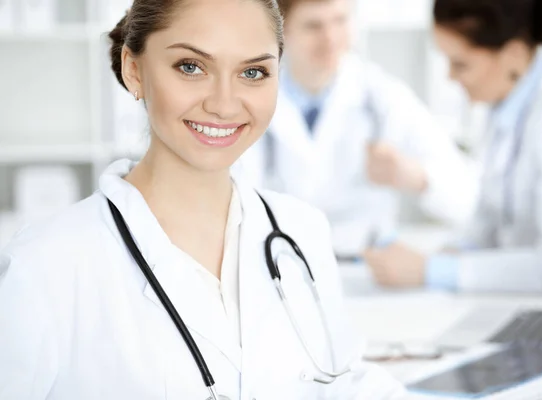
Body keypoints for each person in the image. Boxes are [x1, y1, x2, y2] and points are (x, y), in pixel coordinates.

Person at [0, 0, 406, 398]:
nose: (224, 104)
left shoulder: (302, 230)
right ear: (133, 69)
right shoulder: (45, 264)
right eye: (191, 67)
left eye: (253, 71)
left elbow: (341, 381)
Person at [365, 0, 542, 293]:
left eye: (461, 64)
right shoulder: (505, 106)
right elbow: (489, 221)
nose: (450, 77)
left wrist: (431, 270)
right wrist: (441, 255)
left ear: (513, 54)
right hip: (522, 303)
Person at [233, 0, 478, 257]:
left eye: (340, 20)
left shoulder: (384, 99)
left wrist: (415, 176)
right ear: (282, 33)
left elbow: (467, 199)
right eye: (313, 26)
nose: (330, 38)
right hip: (279, 264)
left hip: (365, 272)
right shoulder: (251, 100)